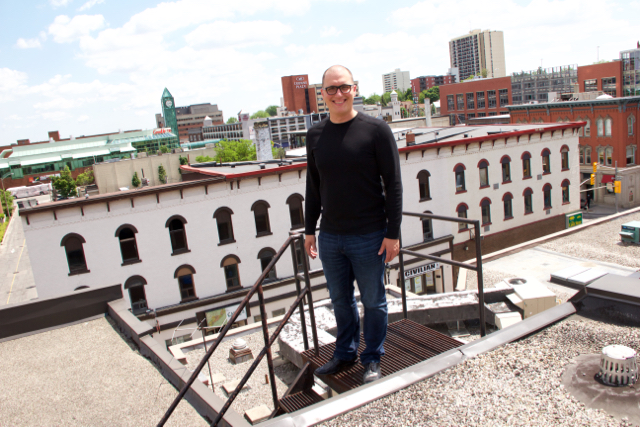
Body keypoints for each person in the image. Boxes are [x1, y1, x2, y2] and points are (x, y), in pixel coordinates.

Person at [304, 65, 403, 384]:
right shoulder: (315, 135)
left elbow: (394, 184)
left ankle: (372, 358)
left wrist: (393, 233)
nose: (338, 94)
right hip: (330, 237)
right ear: (322, 94)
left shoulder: (376, 130)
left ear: (354, 89)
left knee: (374, 301)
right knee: (340, 300)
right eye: (331, 89)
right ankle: (344, 353)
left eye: (343, 87)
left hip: (370, 235)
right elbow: (313, 185)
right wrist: (309, 229)